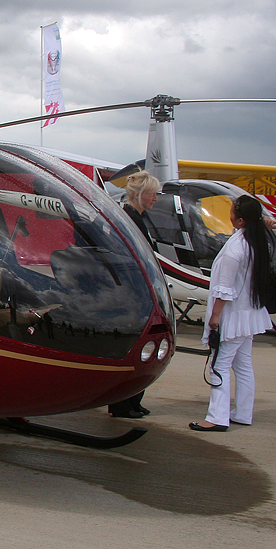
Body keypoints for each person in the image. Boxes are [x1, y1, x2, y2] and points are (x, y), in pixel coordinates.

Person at [190, 194, 275, 431]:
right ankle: (243, 412)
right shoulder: (258, 242)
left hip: (233, 317)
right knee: (243, 365)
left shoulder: (235, 248)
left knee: (218, 366)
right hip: (250, 315)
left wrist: (215, 317)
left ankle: (216, 417)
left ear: (239, 221)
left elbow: (224, 290)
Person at [109, 170, 162, 418]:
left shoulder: (137, 217)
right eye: (153, 194)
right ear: (141, 194)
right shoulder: (128, 219)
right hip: (130, 294)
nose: (156, 199)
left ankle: (132, 400)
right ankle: (121, 403)